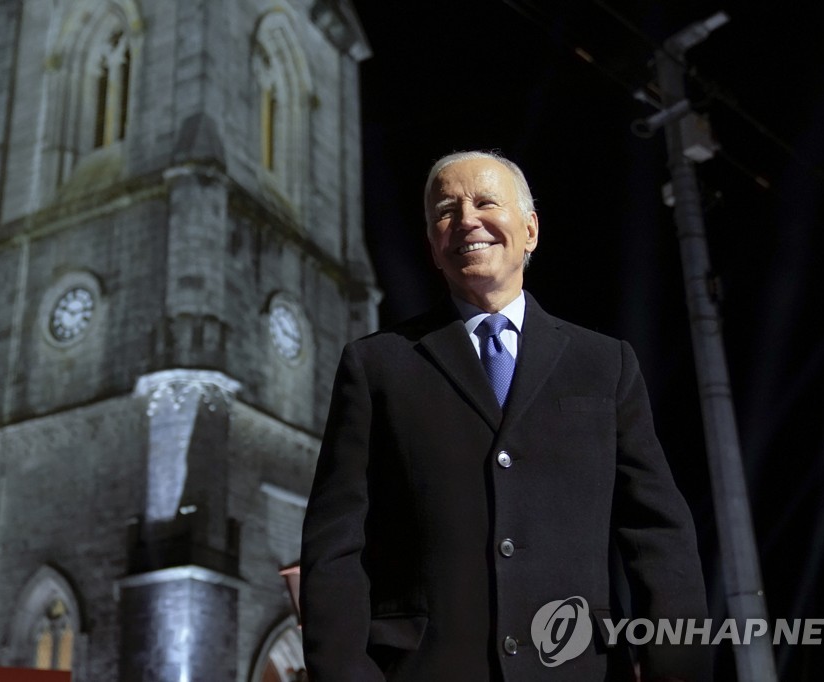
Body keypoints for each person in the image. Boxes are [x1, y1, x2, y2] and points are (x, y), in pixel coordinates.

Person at [300, 150, 710, 681]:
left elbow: (659, 537)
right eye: (446, 210)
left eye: (485, 202)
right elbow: (336, 547)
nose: (466, 219)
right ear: (433, 245)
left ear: (530, 229)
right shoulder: (377, 365)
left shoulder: (605, 365)